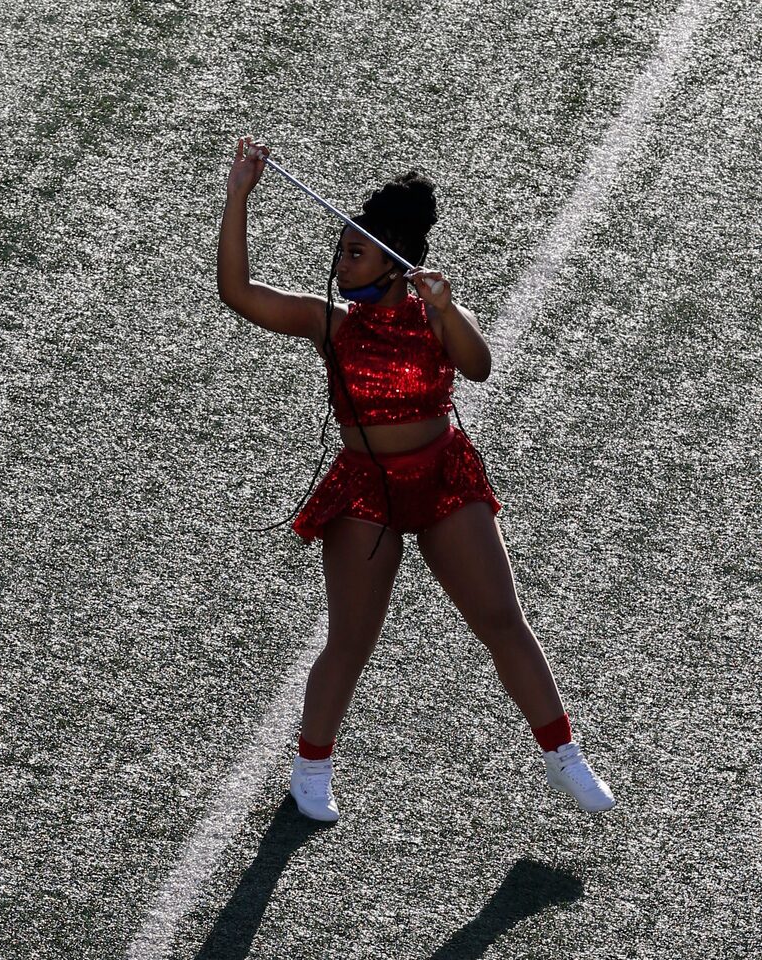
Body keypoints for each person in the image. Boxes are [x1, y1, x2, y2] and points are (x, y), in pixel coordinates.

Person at [216, 137, 615, 823]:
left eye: (355, 252)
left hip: (441, 479)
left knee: (501, 620)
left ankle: (563, 755)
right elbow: (238, 293)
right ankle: (310, 767)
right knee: (351, 640)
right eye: (341, 249)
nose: (341, 262)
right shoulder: (329, 321)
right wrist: (237, 200)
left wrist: (448, 309)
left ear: (396, 264)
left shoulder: (433, 314)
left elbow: (479, 366)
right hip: (365, 491)